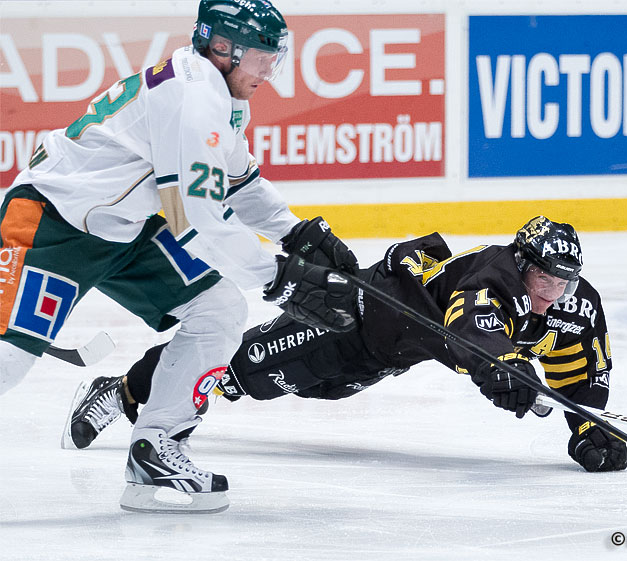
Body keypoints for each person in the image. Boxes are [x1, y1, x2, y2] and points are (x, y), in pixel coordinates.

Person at [0, 0, 358, 514]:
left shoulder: (223, 96)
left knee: (218, 310)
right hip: (53, 224)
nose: (269, 72)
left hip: (128, 226)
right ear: (222, 49)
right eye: (261, 57)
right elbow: (197, 218)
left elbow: (238, 182)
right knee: (8, 361)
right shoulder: (193, 99)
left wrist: (297, 233)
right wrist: (279, 278)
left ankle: (155, 452)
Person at [64, 217, 627, 476]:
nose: (556, 295)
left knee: (301, 387)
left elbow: (581, 362)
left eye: (565, 283)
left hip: (383, 354)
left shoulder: (570, 303)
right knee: (241, 368)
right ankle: (122, 392)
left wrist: (588, 428)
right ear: (524, 264)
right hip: (355, 318)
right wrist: (504, 370)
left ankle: (155, 401)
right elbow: (473, 334)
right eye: (548, 281)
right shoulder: (496, 276)